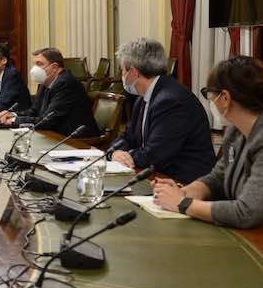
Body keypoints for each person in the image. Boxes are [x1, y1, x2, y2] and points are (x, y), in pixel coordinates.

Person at [153, 56, 263, 229]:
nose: (210, 100)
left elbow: (246, 212)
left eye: (210, 94)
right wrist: (183, 192)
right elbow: (218, 177)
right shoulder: (235, 132)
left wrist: (183, 204)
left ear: (225, 98)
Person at [110, 38, 214, 184]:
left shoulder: (171, 100)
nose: (121, 75)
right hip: (159, 174)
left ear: (133, 72)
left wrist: (129, 156)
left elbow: (156, 154)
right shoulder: (143, 98)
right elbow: (128, 136)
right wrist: (115, 152)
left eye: (122, 70)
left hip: (185, 182)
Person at [0, 47, 99, 138]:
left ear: (54, 67)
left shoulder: (66, 83)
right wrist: (12, 114)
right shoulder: (46, 82)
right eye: (34, 64)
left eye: (39, 64)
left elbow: (48, 120)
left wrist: (14, 120)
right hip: (54, 134)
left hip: (74, 139)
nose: (34, 68)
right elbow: (34, 111)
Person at [0, 42, 31, 112]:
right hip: (2, 115)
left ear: (4, 60)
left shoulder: (12, 74)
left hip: (19, 116)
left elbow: (4, 102)